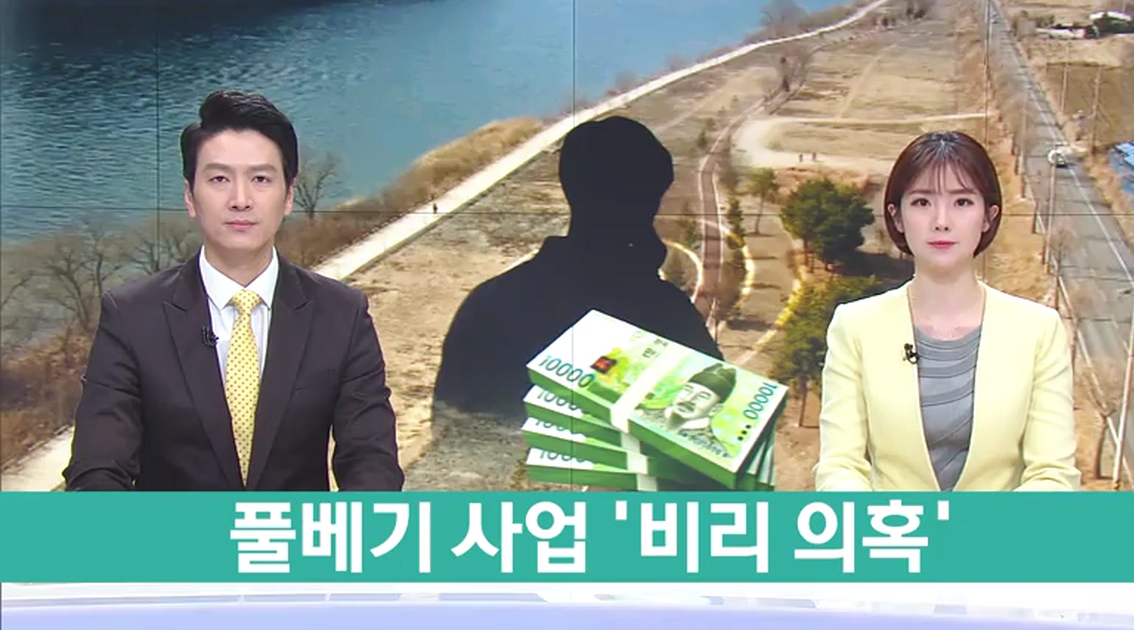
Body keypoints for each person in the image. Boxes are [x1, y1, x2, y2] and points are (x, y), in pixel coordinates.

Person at [63, 90, 405, 491]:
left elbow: (371, 459)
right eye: (219, 179)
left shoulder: (341, 314)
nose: (240, 200)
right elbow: (97, 468)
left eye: (260, 179)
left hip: (288, 532)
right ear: (190, 196)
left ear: (288, 195)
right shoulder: (132, 317)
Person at [814, 130, 1079, 492]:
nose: (941, 221)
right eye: (922, 202)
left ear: (988, 217)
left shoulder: (1038, 330)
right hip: (892, 526)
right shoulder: (856, 326)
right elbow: (839, 467)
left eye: (962, 202)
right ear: (897, 217)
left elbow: (1053, 476)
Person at [432, 116, 721, 423]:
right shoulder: (666, 313)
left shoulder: (489, 303)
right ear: (652, 199)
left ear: (570, 189)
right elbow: (725, 427)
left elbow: (448, 426)